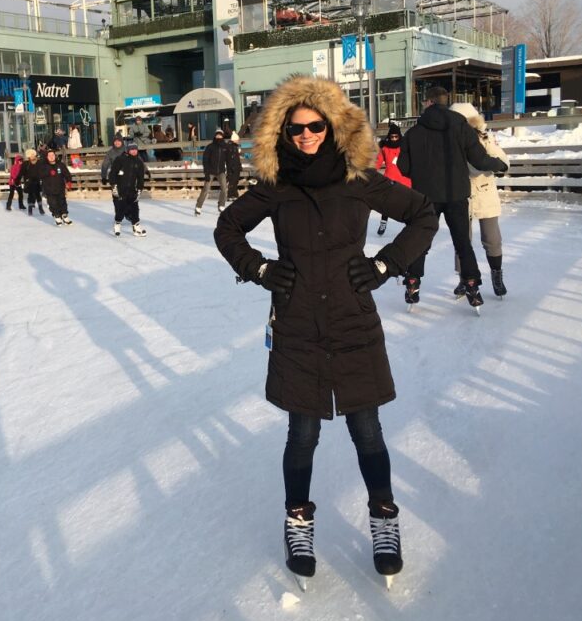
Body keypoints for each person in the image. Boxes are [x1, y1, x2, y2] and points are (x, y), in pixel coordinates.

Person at [213, 75, 437, 589]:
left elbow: (423, 214)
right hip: (297, 323)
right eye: (296, 129)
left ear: (333, 127)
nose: (307, 135)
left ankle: (383, 520)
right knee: (303, 433)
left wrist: (387, 265)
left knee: (367, 430)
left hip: (352, 318)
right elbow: (227, 228)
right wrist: (260, 269)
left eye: (315, 126)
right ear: (282, 134)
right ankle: (298, 522)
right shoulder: (277, 186)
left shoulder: (358, 179)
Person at [398, 87, 509, 309]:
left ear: (427, 102)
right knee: (462, 242)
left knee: (421, 239)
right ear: (445, 101)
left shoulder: (414, 132)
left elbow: (403, 167)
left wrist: (422, 175)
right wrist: (500, 165)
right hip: (456, 194)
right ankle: (471, 284)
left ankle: (412, 282)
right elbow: (479, 160)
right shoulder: (461, 127)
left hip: (425, 196)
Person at [451, 102, 510, 298]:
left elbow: (503, 161)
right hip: (460, 193)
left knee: (492, 239)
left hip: (484, 192)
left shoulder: (485, 138)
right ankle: (463, 278)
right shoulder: (449, 142)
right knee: (462, 240)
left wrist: (495, 165)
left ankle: (496, 274)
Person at [374, 122, 411, 236]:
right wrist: (371, 170)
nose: (394, 139)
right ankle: (383, 222)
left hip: (404, 179)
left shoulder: (404, 147)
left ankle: (410, 226)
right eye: (392, 137)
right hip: (390, 179)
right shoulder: (385, 148)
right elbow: (378, 161)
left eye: (396, 137)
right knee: (387, 203)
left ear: (399, 136)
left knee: (407, 204)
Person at [108, 140, 147, 237]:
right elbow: (112, 174)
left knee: (135, 209)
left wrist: (139, 190)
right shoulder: (120, 159)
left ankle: (136, 227)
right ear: (128, 150)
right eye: (132, 150)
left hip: (132, 190)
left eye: (135, 149)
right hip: (120, 189)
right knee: (120, 209)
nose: (134, 151)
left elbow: (140, 178)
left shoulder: (139, 162)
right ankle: (117, 224)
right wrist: (114, 186)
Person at [194, 130, 229, 216]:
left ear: (222, 136)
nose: (219, 137)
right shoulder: (210, 147)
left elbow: (228, 160)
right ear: (215, 136)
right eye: (217, 135)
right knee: (206, 189)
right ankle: (198, 207)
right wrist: (206, 173)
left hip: (221, 171)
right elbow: (205, 160)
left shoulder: (225, 147)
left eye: (220, 135)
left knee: (224, 189)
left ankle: (221, 205)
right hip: (210, 171)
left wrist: (229, 171)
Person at [39, 149, 73, 226]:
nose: (51, 157)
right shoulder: (44, 166)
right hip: (49, 189)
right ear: (47, 157)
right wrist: (48, 172)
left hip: (60, 187)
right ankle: (57, 215)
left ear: (55, 156)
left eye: (52, 155)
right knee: (53, 203)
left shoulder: (60, 165)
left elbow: (67, 174)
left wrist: (69, 181)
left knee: (62, 202)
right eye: (49, 156)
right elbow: (40, 175)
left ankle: (64, 215)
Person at [20, 149, 45, 217]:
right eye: (30, 155)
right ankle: (30, 208)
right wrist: (18, 179)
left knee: (38, 195)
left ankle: (40, 208)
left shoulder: (40, 162)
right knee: (30, 195)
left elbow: (44, 170)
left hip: (38, 181)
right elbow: (21, 172)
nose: (31, 156)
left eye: (32, 154)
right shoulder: (25, 164)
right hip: (29, 182)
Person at [226, 131, 243, 201]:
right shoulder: (231, 147)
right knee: (232, 181)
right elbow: (231, 158)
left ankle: (234, 194)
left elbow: (236, 158)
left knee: (235, 181)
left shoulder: (235, 147)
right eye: (237, 140)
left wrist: (239, 166)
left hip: (235, 167)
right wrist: (233, 167)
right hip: (233, 167)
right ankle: (230, 194)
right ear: (234, 140)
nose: (238, 141)